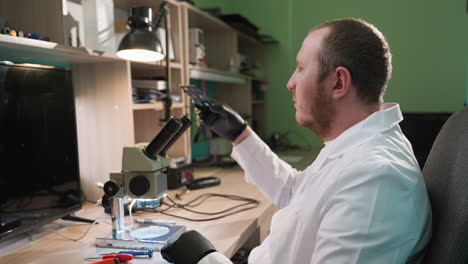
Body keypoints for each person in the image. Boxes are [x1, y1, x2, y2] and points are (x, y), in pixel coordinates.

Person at [161, 18, 432, 264]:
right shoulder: (357, 148)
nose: (290, 83)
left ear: (338, 82)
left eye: (301, 68)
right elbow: (297, 193)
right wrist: (240, 135)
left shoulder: (373, 181)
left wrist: (207, 260)